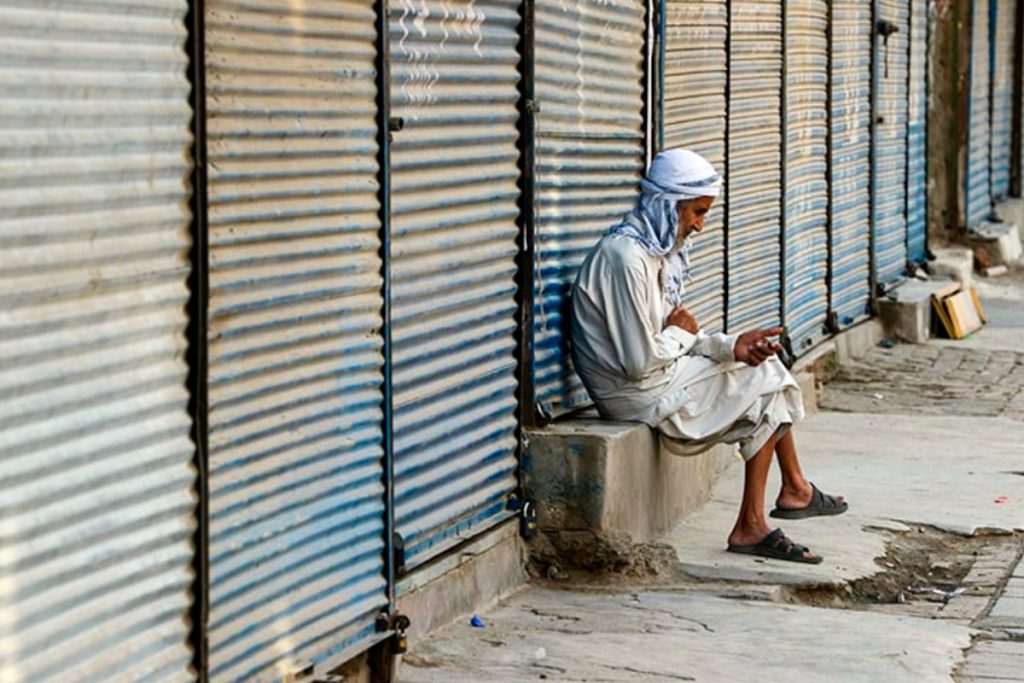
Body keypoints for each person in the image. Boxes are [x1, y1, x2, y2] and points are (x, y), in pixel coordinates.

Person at [569, 148, 847, 564]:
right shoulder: (625, 259)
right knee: (766, 378)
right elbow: (639, 359)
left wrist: (729, 345)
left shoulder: (652, 252)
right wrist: (683, 335)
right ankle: (775, 506)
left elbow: (672, 336)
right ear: (669, 205)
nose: (699, 225)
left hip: (658, 376)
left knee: (760, 364)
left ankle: (786, 496)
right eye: (696, 212)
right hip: (634, 393)